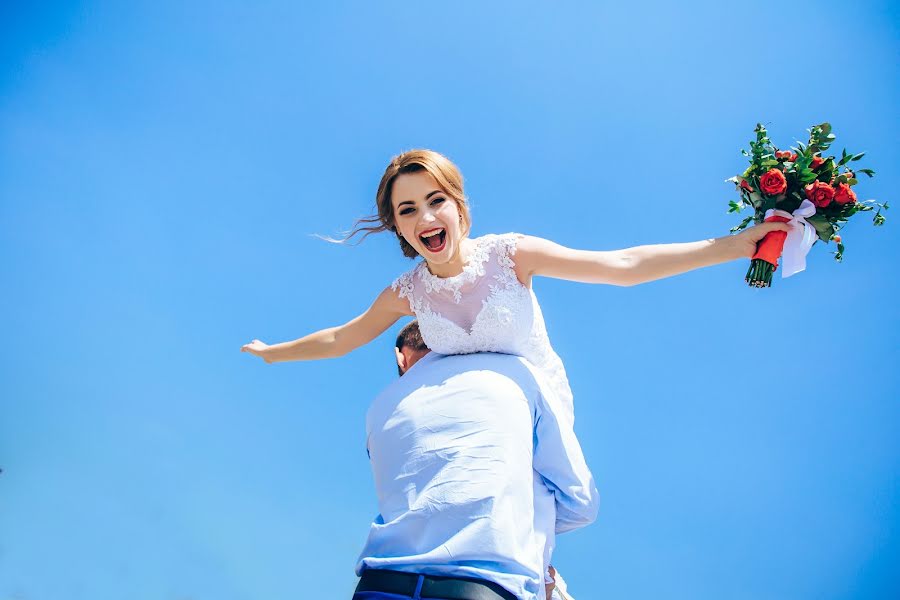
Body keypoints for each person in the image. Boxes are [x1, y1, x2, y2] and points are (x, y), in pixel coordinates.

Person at [240, 148, 789, 429]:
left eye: (435, 200)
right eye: (407, 210)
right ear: (400, 229)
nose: (425, 215)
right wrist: (272, 356)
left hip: (533, 412)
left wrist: (734, 245)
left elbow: (621, 264)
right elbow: (342, 338)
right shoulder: (407, 293)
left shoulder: (511, 254)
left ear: (458, 207)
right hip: (466, 418)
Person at [355, 319, 596, 600]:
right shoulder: (517, 376)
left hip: (380, 585)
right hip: (480, 587)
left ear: (401, 357)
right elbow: (581, 502)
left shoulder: (379, 407)